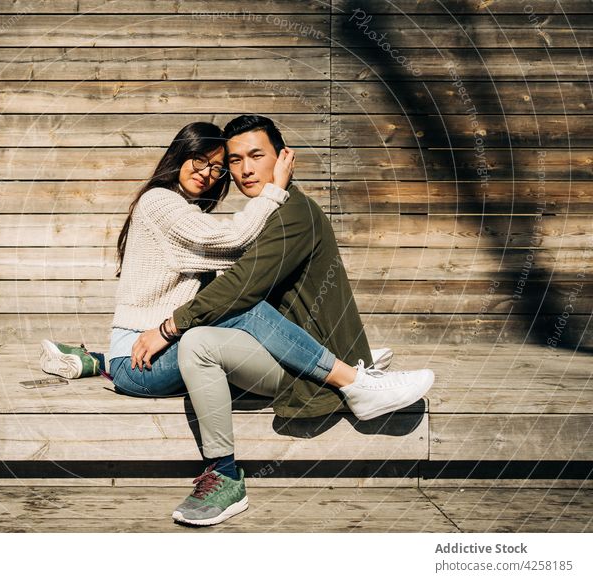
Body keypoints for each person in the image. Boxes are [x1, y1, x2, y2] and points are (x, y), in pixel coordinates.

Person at [40, 119, 435, 526]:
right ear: (178, 156)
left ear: (281, 157)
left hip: (146, 353)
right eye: (206, 160)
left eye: (218, 167)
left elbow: (245, 261)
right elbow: (234, 250)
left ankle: (98, 361)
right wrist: (274, 191)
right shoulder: (161, 202)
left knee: (221, 315)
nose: (212, 173)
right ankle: (336, 387)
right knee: (223, 316)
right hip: (142, 361)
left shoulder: (245, 211)